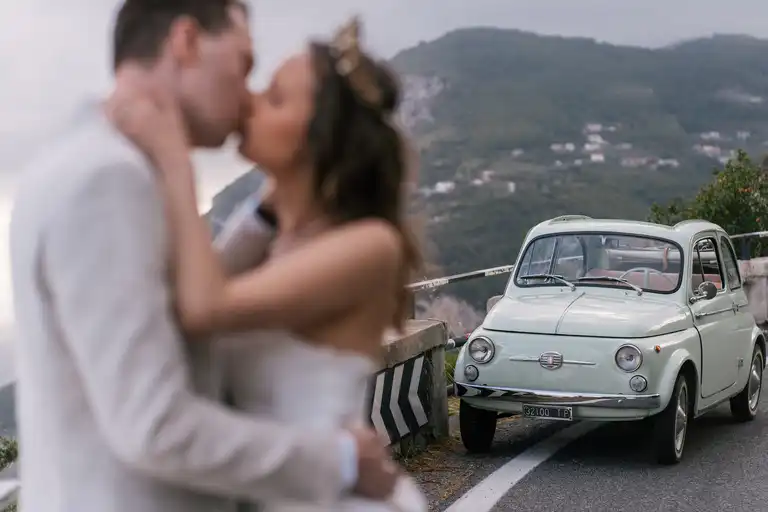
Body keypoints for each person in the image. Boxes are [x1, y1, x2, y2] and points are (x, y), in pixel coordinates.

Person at [9, 1, 398, 512]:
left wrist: (273, 208)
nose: (246, 96)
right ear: (187, 41)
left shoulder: (78, 159)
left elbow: (183, 310)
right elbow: (154, 423)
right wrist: (341, 460)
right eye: (243, 64)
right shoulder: (109, 180)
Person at [111, 15, 427, 512]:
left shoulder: (370, 245)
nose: (249, 102)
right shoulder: (277, 235)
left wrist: (173, 157)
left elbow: (202, 306)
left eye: (275, 98)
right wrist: (270, 202)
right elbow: (203, 285)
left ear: (318, 137)